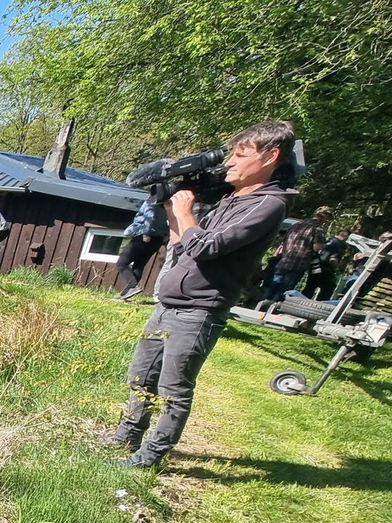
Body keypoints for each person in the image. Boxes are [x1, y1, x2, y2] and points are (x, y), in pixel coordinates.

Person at [103, 119, 297, 469]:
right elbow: (184, 246)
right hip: (170, 303)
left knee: (173, 389)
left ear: (270, 156)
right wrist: (170, 211)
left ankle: (149, 457)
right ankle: (127, 434)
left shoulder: (268, 204)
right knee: (141, 375)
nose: (230, 163)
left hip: (199, 310)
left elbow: (208, 246)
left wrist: (185, 211)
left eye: (240, 155)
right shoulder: (231, 199)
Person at [262, 205, 329, 304]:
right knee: (285, 289)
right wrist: (324, 245)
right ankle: (272, 309)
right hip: (299, 263)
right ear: (325, 218)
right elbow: (317, 247)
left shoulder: (297, 225)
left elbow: (284, 240)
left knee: (274, 284)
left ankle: (261, 306)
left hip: (284, 260)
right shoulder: (317, 229)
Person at [111, 196, 169, 301]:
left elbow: (150, 216)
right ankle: (125, 294)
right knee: (139, 265)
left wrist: (146, 233)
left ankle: (133, 286)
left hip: (145, 236)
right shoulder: (167, 204)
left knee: (122, 263)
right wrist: (165, 235)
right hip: (158, 239)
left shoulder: (152, 201)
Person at [305, 229, 351, 302]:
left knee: (309, 288)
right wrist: (337, 270)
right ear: (346, 235)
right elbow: (333, 259)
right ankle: (319, 307)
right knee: (327, 290)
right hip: (326, 270)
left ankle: (300, 303)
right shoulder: (340, 244)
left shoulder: (328, 240)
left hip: (316, 266)